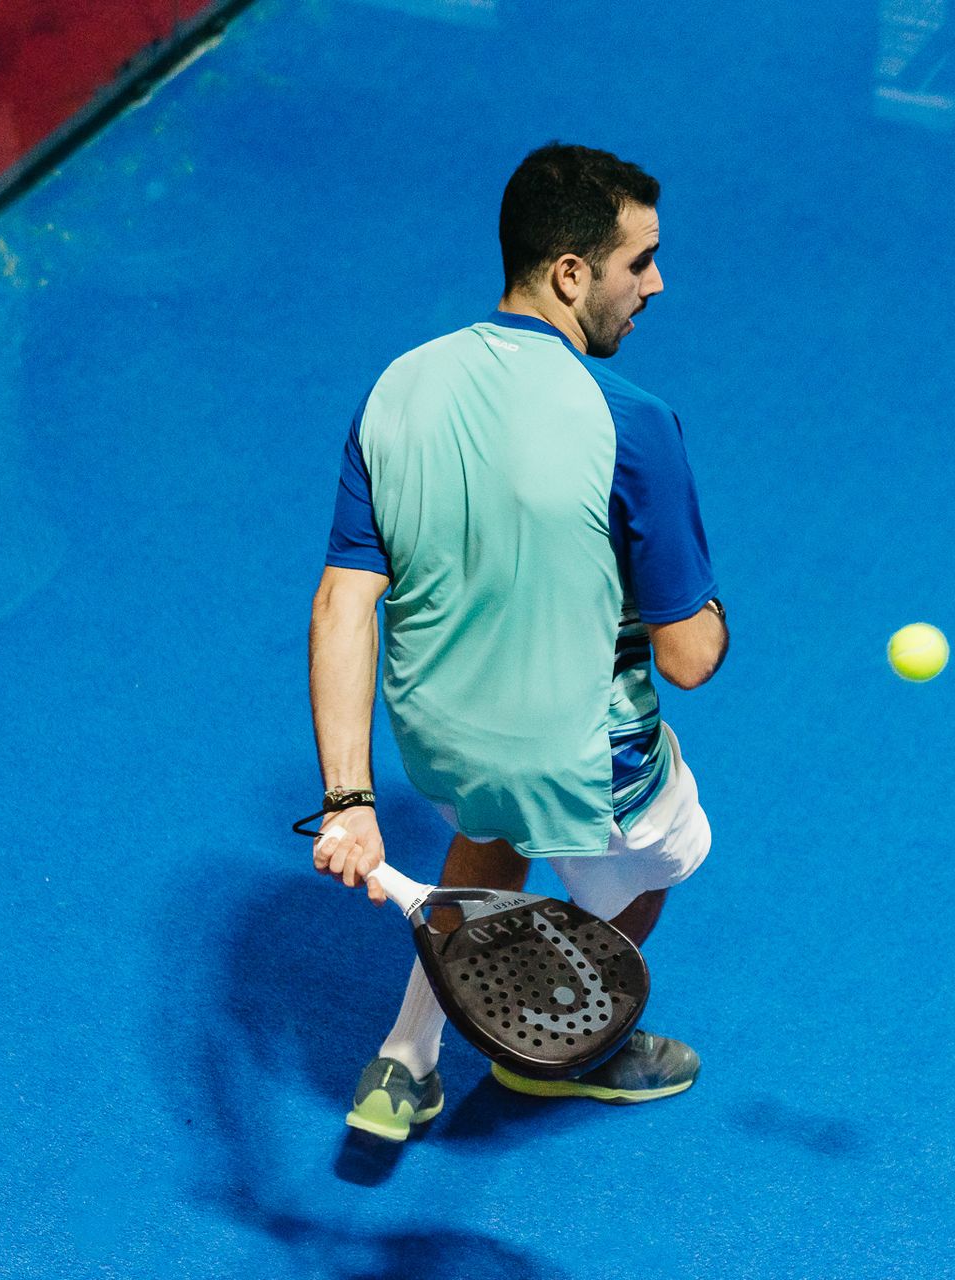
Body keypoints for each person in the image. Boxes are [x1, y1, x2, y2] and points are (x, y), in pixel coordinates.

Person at [306, 142, 728, 1142]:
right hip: (590, 767)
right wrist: (709, 606)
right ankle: (557, 1041)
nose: (656, 283)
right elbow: (689, 658)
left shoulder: (397, 387)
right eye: (641, 261)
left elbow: (340, 605)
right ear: (571, 272)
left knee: (491, 819)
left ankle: (404, 1059)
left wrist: (350, 801)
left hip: (440, 749)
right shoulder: (636, 422)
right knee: (665, 861)